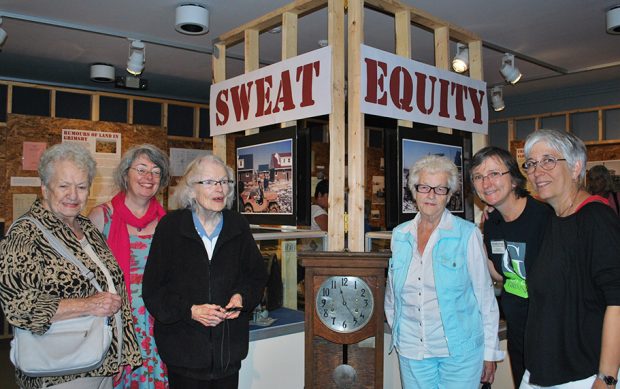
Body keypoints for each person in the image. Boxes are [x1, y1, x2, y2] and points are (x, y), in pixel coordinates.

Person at [0, 143, 142, 389]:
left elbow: (112, 287)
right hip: (59, 371)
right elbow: (18, 306)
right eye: (64, 186)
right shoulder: (25, 234)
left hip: (101, 362)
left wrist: (120, 356)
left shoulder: (87, 228)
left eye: (81, 186)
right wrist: (87, 305)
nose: (73, 195)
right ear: (45, 187)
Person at [142, 154, 268, 389]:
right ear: (191, 190)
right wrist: (190, 311)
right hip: (183, 353)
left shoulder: (237, 225)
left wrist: (242, 296)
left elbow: (256, 276)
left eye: (224, 182)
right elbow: (153, 290)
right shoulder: (171, 227)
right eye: (209, 182)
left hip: (227, 353)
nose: (219, 189)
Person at [385, 155, 504, 389]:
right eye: (424, 187)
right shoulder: (400, 235)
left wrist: (490, 351)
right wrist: (401, 333)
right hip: (412, 351)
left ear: (449, 195)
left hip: (459, 353)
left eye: (440, 189)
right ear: (414, 191)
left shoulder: (467, 234)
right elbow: (392, 295)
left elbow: (484, 297)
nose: (431, 195)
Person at [520, 129, 620, 389]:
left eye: (548, 160)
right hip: (543, 372)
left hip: (582, 377)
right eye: (531, 163)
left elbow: (618, 301)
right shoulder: (554, 219)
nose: (536, 171)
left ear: (576, 167)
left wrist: (606, 378)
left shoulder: (596, 219)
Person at [89, 144, 170, 389]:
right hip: (116, 321)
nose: (149, 177)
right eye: (142, 169)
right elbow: (87, 279)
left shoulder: (167, 222)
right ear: (126, 174)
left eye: (156, 172)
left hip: (158, 321)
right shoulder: (101, 217)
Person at [470, 146, 553, 388]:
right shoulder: (493, 223)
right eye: (478, 176)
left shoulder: (545, 217)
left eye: (495, 173)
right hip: (518, 334)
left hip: (550, 335)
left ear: (514, 179)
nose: (486, 183)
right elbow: (500, 275)